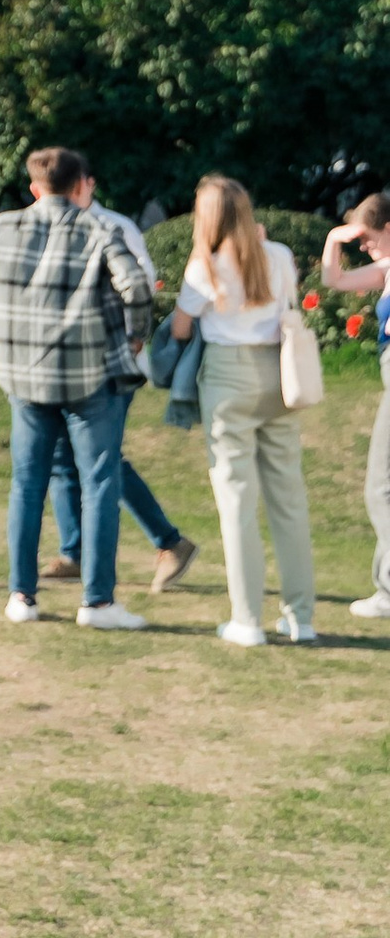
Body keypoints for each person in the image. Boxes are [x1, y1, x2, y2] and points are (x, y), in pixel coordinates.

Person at [0, 145, 155, 627]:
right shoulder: (101, 229)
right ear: (81, 185)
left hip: (21, 374)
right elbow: (137, 288)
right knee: (99, 483)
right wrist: (135, 335)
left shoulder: (1, 227)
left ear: (35, 188)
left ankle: (22, 596)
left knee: (26, 483)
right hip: (88, 375)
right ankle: (98, 602)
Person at [172, 174, 316, 646]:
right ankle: (301, 617)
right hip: (277, 372)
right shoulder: (278, 256)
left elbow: (180, 327)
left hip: (228, 375)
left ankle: (247, 619)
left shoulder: (205, 265)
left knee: (237, 501)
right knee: (289, 501)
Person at [42, 166, 199, 594]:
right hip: (59, 363)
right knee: (63, 458)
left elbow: (141, 286)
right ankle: (74, 552)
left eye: (84, 182)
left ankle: (169, 542)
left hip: (109, 363)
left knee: (101, 460)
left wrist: (132, 336)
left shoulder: (117, 226)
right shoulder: (44, 223)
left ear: (91, 184)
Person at [322, 195, 390, 619]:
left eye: (366, 238)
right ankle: (385, 591)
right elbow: (335, 281)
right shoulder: (386, 268)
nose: (362, 247)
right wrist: (334, 238)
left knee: (378, 487)